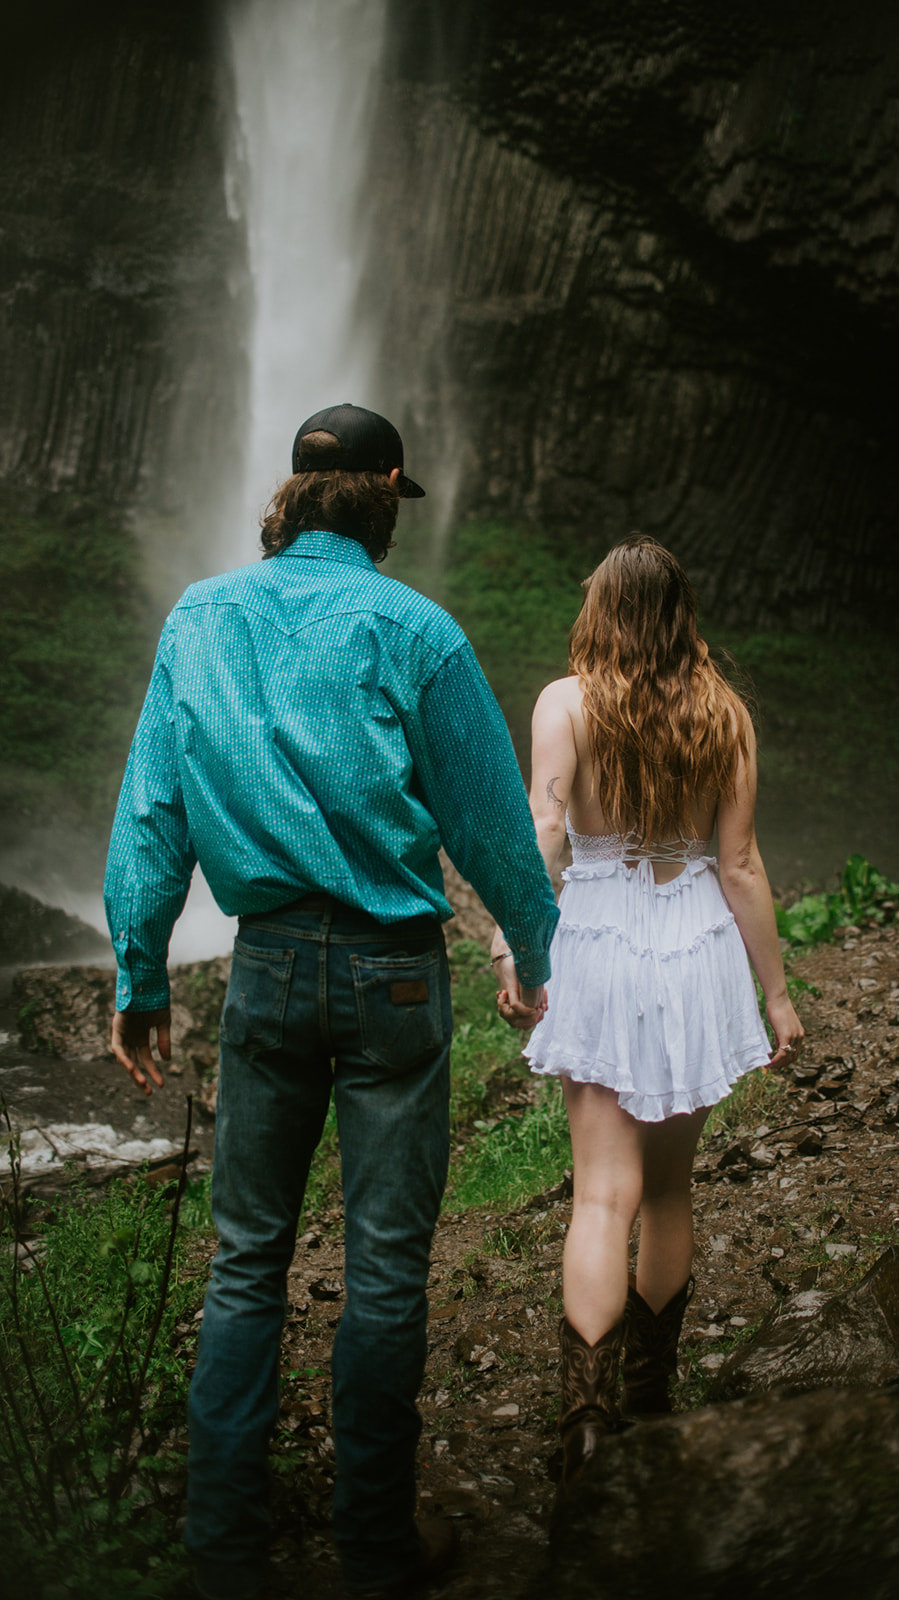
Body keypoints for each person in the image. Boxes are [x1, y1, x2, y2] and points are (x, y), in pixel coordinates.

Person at [104, 403, 558, 1600]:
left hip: (262, 966)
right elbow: (493, 826)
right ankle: (371, 1546)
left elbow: (153, 812)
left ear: (294, 496)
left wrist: (140, 974)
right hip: (395, 972)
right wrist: (537, 948)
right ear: (382, 502)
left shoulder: (200, 616)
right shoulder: (419, 633)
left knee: (246, 1260)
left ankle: (222, 1550)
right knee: (385, 1269)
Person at [491, 535, 804, 1489]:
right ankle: (650, 1402)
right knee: (668, 1191)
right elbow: (741, 864)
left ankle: (585, 1426)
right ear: (680, 615)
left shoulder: (567, 702)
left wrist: (514, 941)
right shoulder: (726, 715)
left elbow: (547, 827)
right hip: (698, 944)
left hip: (599, 938)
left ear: (601, 610)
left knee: (601, 1194)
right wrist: (778, 996)